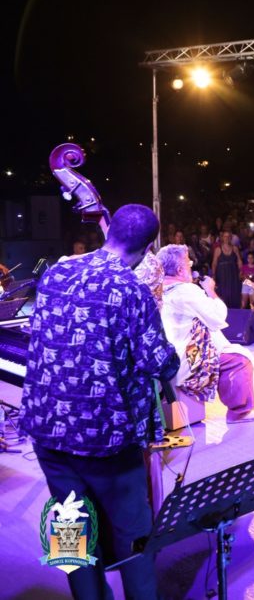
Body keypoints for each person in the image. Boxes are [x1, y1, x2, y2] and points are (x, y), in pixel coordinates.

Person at [20, 204, 180, 599]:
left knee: (69, 524)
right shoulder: (131, 289)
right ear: (146, 248)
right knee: (133, 535)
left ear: (109, 233)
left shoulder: (56, 271)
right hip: (104, 438)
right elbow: (159, 362)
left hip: (48, 429)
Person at [157, 244, 254, 423]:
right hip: (189, 358)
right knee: (239, 360)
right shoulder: (185, 291)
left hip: (170, 355)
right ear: (179, 270)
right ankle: (241, 413)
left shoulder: (159, 288)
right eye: (188, 263)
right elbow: (217, 317)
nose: (191, 266)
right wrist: (210, 290)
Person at [211, 230, 243, 309]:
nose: (227, 238)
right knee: (223, 293)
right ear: (222, 238)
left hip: (233, 274)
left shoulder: (235, 248)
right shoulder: (218, 249)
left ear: (231, 238)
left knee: (234, 292)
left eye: (228, 236)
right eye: (225, 236)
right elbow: (214, 263)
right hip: (222, 275)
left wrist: (241, 271)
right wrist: (213, 275)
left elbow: (239, 261)